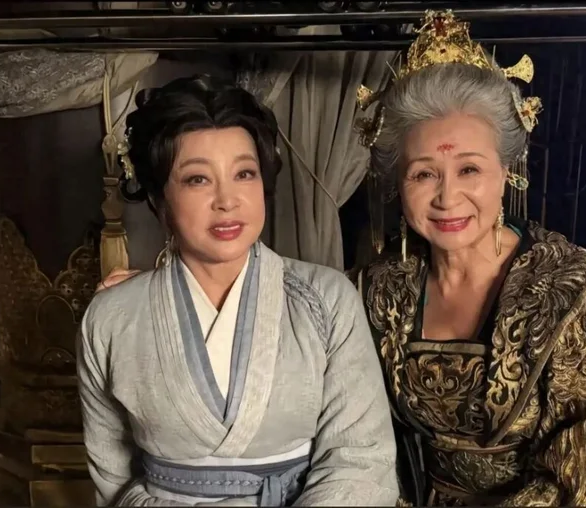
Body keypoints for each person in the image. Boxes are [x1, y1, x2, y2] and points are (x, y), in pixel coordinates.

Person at [350, 9, 586, 507]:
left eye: (469, 169)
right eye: (424, 174)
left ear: (506, 172)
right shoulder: (375, 289)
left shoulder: (575, 299)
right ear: (398, 184)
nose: (447, 197)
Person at [77, 76, 399, 506]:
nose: (227, 200)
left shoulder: (327, 299)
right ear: (158, 199)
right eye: (197, 179)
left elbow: (360, 459)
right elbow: (111, 473)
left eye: (244, 174)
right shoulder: (112, 316)